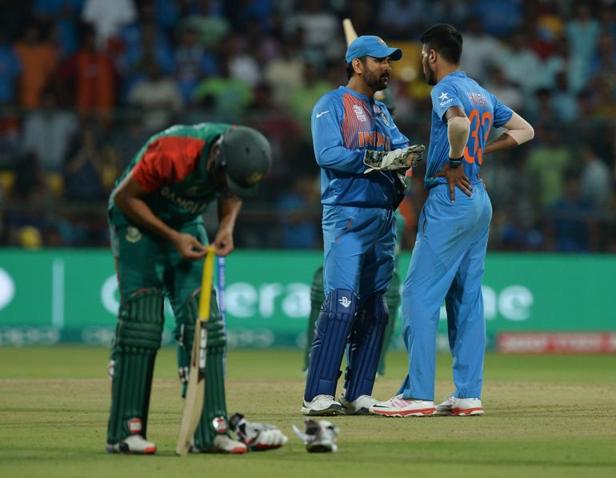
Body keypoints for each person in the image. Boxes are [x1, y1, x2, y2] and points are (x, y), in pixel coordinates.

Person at [371, 24, 534, 417]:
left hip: (451, 197)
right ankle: (467, 395)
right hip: (479, 198)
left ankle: (417, 394)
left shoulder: (445, 89)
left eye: (422, 57)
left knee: (417, 295)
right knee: (467, 299)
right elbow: (524, 131)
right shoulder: (481, 90)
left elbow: (458, 124)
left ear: (430, 55)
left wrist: (458, 160)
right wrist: (480, 155)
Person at [106, 123, 287, 454]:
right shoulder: (173, 151)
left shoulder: (236, 155)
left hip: (186, 223)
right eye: (224, 179)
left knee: (206, 324)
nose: (227, 188)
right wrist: (173, 238)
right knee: (142, 322)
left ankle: (211, 430)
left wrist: (227, 227)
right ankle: (125, 432)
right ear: (215, 157)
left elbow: (231, 193)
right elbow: (124, 198)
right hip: (137, 220)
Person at [302, 35, 424, 416]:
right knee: (341, 303)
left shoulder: (382, 111)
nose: (388, 67)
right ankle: (317, 395)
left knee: (377, 308)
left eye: (389, 61)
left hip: (384, 219)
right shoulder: (331, 105)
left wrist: (404, 159)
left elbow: (403, 150)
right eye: (380, 61)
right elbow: (328, 154)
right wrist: (381, 160)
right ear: (358, 65)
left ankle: (359, 393)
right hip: (347, 215)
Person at [302, 210, 405, 376]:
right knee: (326, 290)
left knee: (387, 292)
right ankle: (315, 363)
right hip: (347, 207)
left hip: (383, 208)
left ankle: (373, 367)